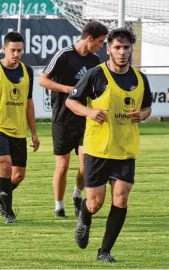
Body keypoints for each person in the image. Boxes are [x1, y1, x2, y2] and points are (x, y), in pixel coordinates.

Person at [66, 28, 152, 263]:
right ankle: (84, 214)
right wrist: (90, 112)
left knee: (121, 199)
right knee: (95, 203)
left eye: (126, 48)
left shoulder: (140, 78)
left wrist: (141, 115)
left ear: (131, 49)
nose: (122, 52)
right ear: (109, 50)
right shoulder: (96, 75)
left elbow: (147, 108)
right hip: (98, 148)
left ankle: (104, 251)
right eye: (117, 47)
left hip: (125, 149)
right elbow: (71, 101)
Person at [38, 21, 108, 218]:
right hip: (62, 118)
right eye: (100, 42)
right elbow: (43, 80)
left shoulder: (95, 61)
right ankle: (59, 206)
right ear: (89, 39)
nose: (101, 46)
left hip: (85, 118)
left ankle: (77, 194)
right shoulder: (64, 55)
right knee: (62, 166)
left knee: (86, 165)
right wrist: (68, 89)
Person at [0, 31, 40, 224]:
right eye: (12, 50)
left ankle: (1, 195)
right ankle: (8, 212)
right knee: (5, 164)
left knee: (19, 174)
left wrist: (34, 133)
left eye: (20, 50)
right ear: (4, 49)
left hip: (18, 130)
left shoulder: (27, 71)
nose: (16, 54)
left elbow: (29, 103)